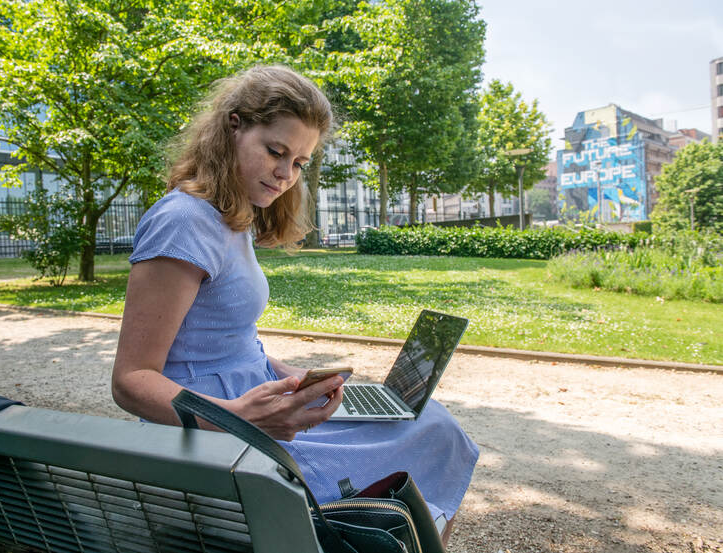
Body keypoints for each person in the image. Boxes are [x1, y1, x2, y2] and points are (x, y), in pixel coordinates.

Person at [111, 65, 478, 545]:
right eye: (276, 152)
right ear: (234, 127)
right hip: (217, 429)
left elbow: (228, 342)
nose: (286, 175)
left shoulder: (228, 216)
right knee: (433, 435)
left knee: (431, 424)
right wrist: (241, 416)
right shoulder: (184, 221)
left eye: (301, 162)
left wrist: (303, 382)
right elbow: (131, 381)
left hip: (258, 403)